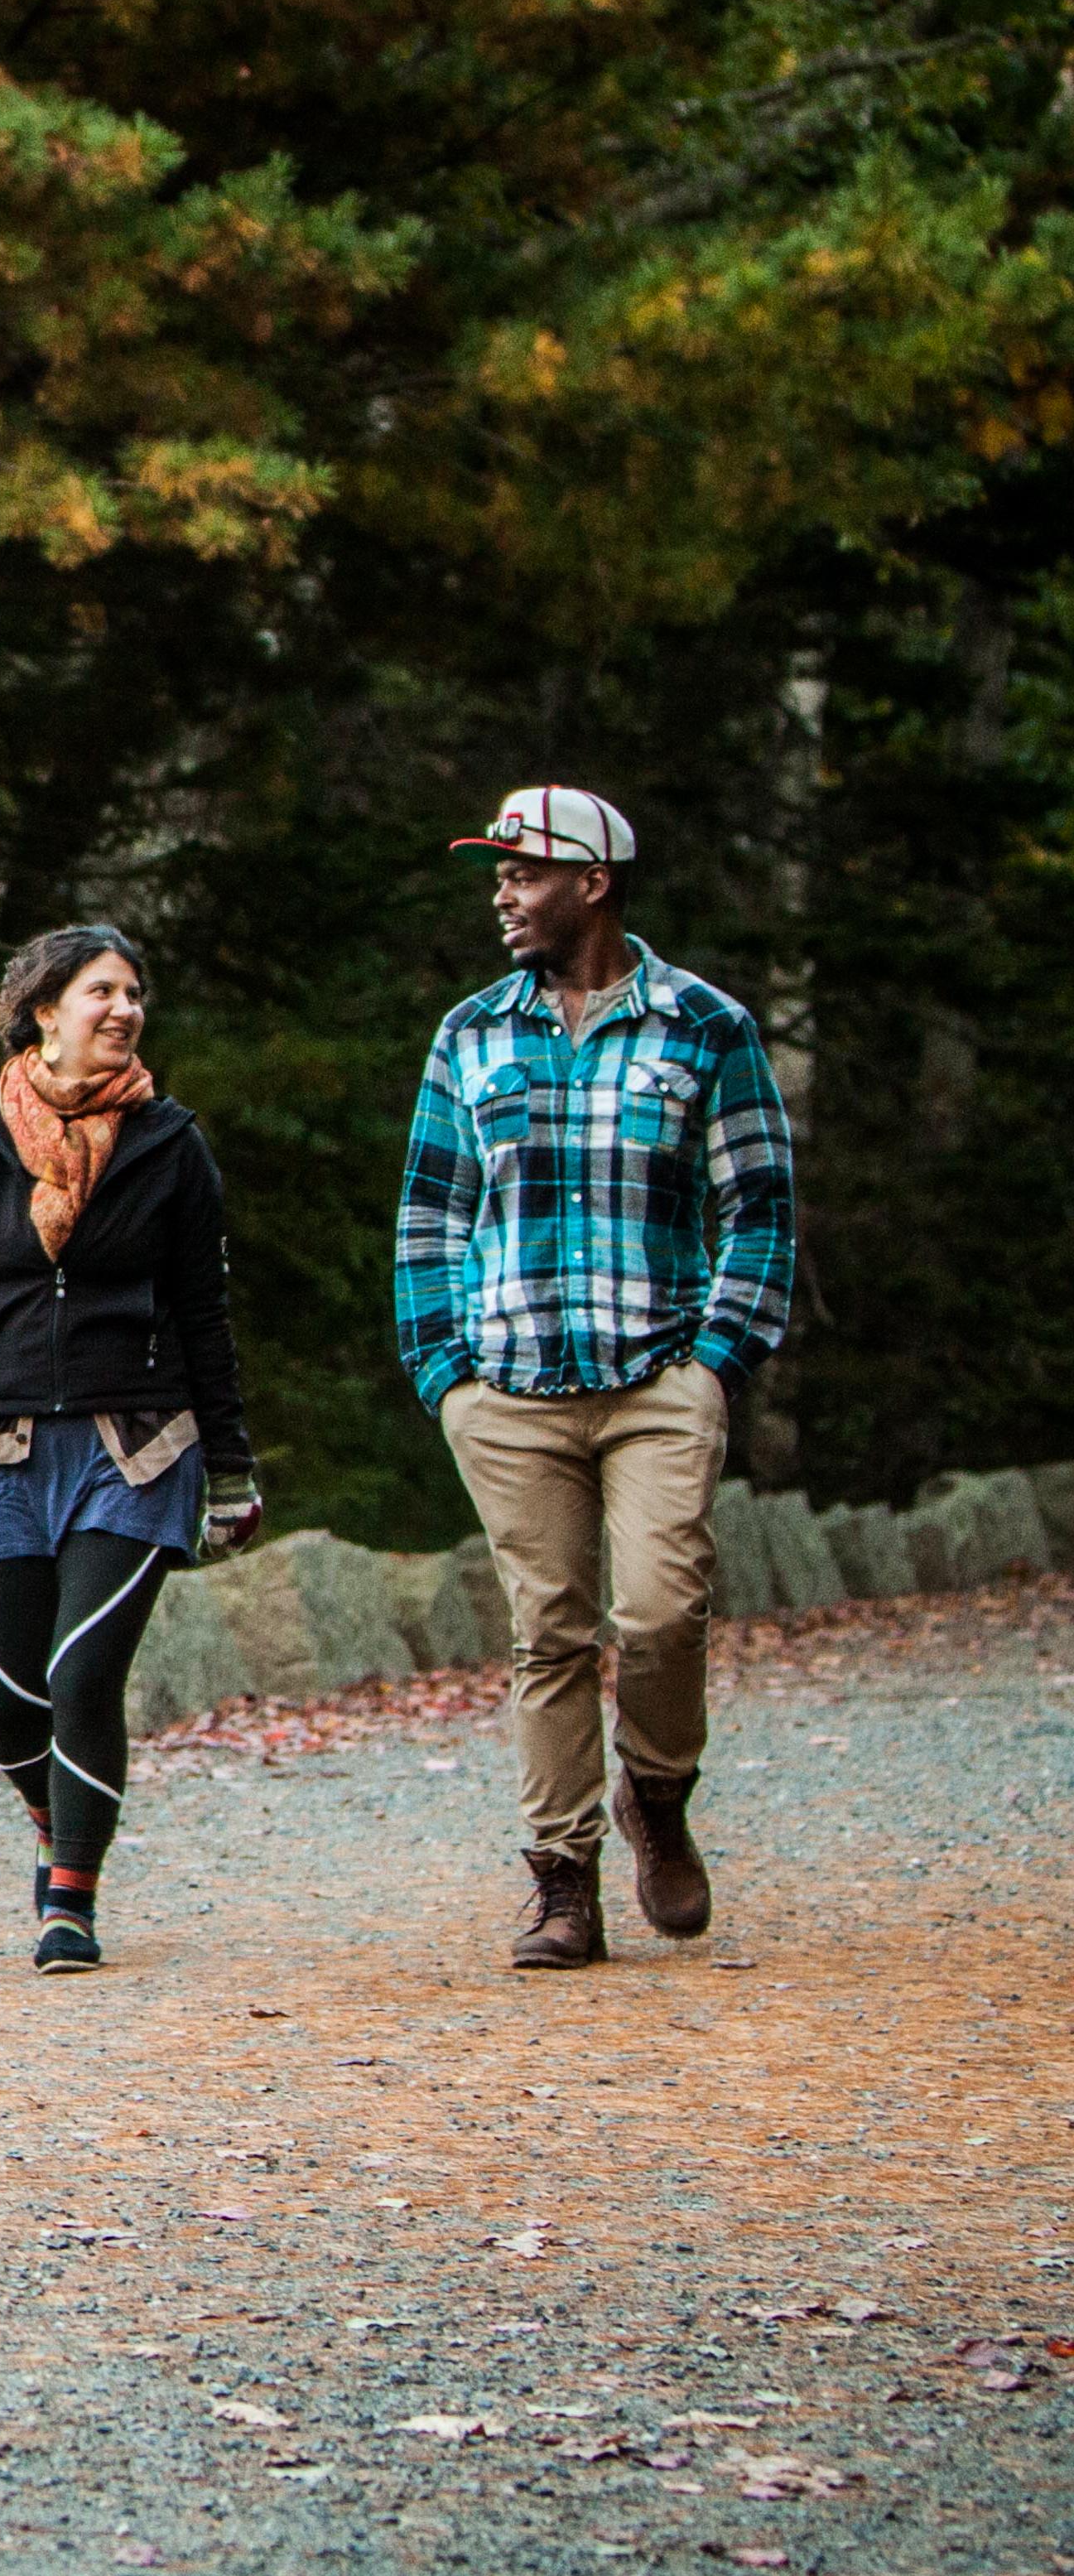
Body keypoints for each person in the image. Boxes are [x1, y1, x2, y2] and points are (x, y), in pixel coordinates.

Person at [393, 784, 798, 1971]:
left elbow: (761, 1211)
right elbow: (429, 1217)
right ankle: (562, 1885)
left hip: (659, 1372)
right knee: (548, 1631)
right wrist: (445, 1375)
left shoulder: (706, 1028)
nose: (503, 894)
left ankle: (658, 1796)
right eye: (499, 874)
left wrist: (718, 1363)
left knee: (663, 1611)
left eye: (524, 873)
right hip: (508, 1387)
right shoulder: (470, 1034)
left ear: (594, 883)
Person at [0, 924, 262, 1972]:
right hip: (2, 1451)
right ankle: (60, 1825)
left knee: (83, 1674)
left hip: (136, 1445)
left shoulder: (170, 1144)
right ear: (47, 1011)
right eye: (102, 991)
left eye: (135, 992)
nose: (125, 1009)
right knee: (8, 1705)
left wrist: (229, 1467)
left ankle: (70, 1899)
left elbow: (204, 1315)